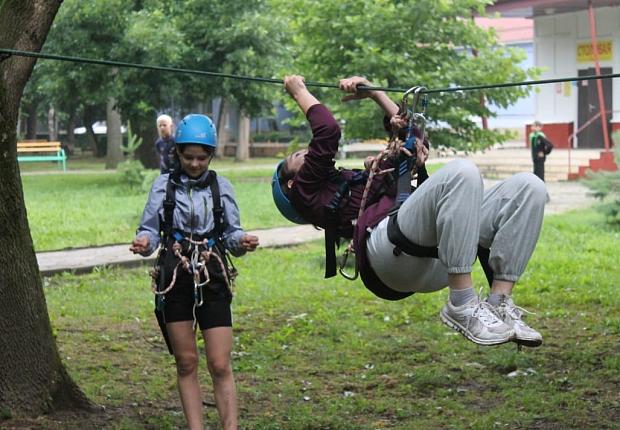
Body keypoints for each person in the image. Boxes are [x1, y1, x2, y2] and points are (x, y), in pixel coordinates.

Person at [272, 75, 547, 348]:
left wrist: (376, 94)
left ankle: (498, 304)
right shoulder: (304, 193)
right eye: (298, 156)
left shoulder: (352, 179)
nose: (306, 153)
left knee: (529, 188)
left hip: (438, 256)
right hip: (386, 254)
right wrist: (298, 91)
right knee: (462, 172)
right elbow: (328, 131)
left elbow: (414, 141)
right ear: (292, 182)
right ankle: (462, 303)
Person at [131, 114, 259, 430]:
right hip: (175, 274)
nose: (196, 163)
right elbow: (149, 230)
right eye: (189, 157)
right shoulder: (163, 186)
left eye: (202, 157)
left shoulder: (221, 187)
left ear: (211, 155)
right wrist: (143, 242)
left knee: (219, 362)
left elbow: (231, 234)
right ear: (177, 153)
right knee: (186, 362)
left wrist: (241, 241)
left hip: (212, 274)